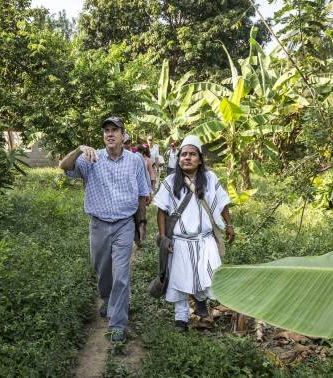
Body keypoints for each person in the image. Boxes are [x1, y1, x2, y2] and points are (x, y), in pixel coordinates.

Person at [59, 116, 150, 343]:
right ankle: (107, 297)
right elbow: (64, 166)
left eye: (114, 130)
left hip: (123, 224)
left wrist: (141, 223)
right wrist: (79, 150)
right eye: (106, 130)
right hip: (98, 223)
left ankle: (117, 323)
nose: (110, 134)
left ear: (123, 135)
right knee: (103, 270)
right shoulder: (91, 158)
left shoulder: (135, 161)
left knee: (121, 275)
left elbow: (141, 194)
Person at [153, 135, 235, 332]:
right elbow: (161, 211)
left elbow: (222, 202)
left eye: (192, 154)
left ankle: (200, 302)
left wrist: (229, 224)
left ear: (200, 158)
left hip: (205, 239)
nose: (186, 158)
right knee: (179, 280)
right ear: (178, 158)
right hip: (180, 241)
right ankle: (180, 318)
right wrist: (164, 238)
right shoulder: (170, 181)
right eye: (183, 154)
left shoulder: (210, 178)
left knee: (206, 274)